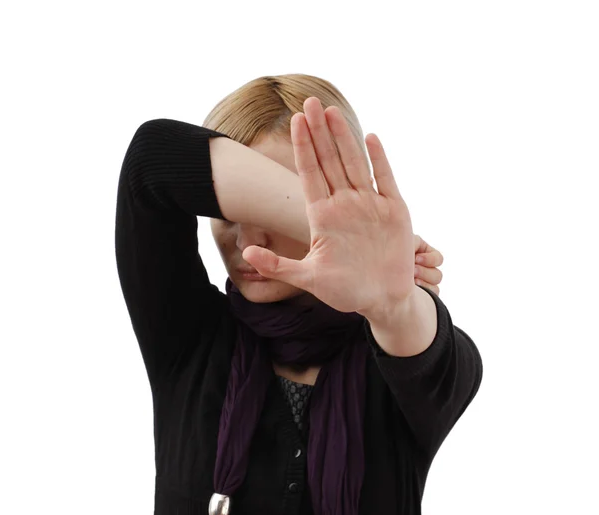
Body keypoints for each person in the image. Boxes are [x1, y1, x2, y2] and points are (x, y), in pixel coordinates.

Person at [115, 73, 483, 515]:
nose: (249, 243)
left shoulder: (400, 361)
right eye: (227, 210)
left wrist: (389, 293)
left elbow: (411, 328)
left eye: (302, 201)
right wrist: (329, 229)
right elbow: (150, 159)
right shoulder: (188, 335)